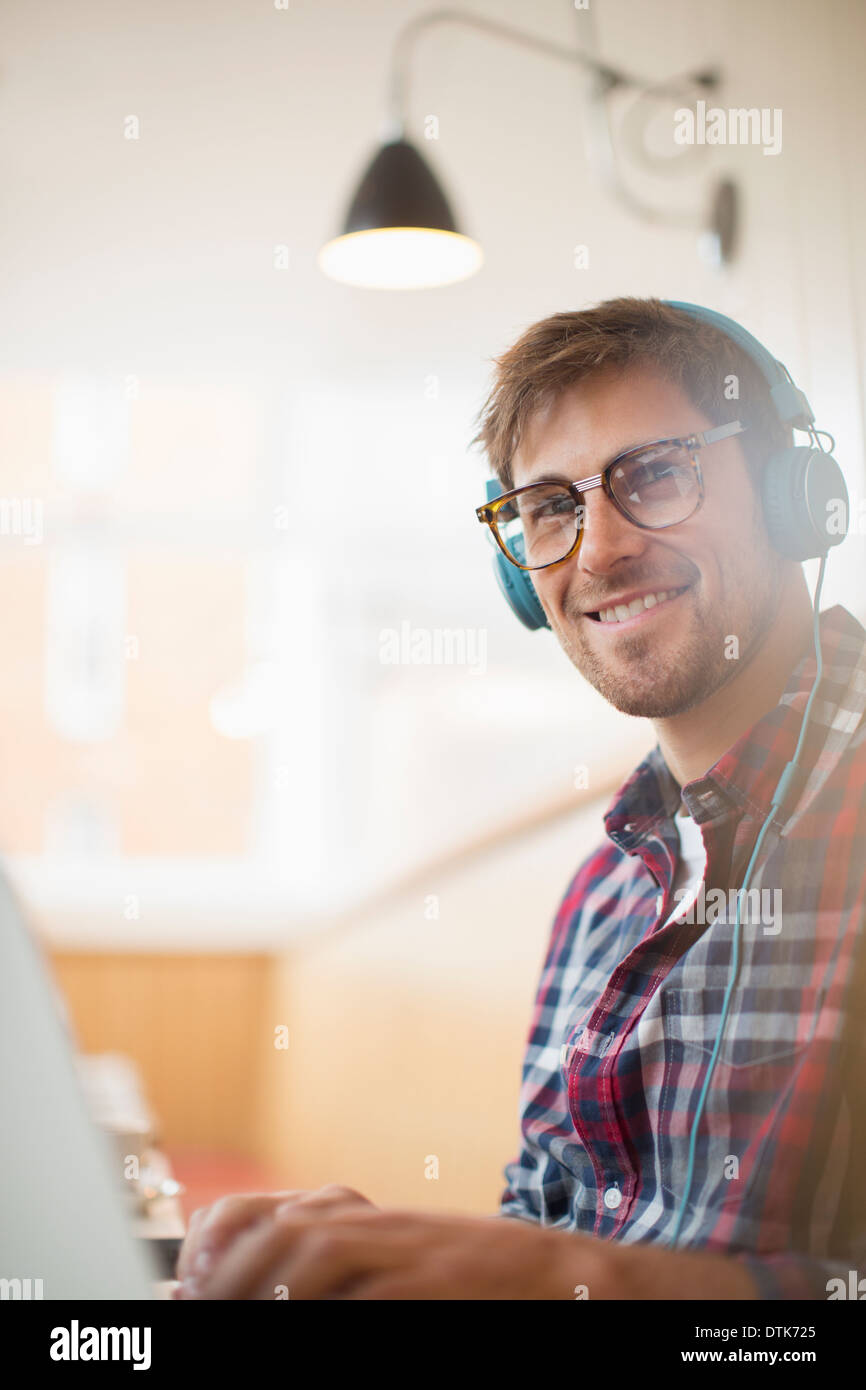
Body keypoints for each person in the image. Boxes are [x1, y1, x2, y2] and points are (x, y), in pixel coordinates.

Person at [175, 299, 866, 1300]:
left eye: (657, 474)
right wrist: (390, 1265)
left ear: (789, 490)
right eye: (548, 507)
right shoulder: (603, 890)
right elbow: (548, 1231)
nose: (597, 552)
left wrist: (566, 1276)